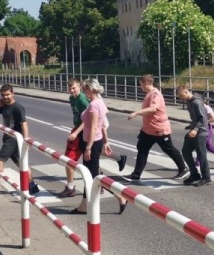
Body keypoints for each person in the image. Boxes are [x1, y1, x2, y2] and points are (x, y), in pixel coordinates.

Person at [69, 78, 128, 214]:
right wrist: (106, 142)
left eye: (85, 89)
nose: (84, 92)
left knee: (94, 176)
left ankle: (120, 196)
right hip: (95, 141)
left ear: (91, 89)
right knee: (90, 175)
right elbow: (102, 125)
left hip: (92, 142)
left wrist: (88, 147)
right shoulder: (99, 102)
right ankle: (84, 205)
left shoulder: (94, 105)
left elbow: (95, 127)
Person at [125, 74, 189, 182]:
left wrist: (136, 112)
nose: (139, 86)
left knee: (169, 149)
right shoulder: (149, 93)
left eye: (140, 84)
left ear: (146, 83)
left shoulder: (155, 94)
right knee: (142, 149)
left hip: (159, 129)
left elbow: (153, 109)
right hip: (148, 130)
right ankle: (136, 174)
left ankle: (183, 169)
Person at [0, 84, 39, 197]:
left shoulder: (17, 107)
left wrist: (25, 140)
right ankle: (32, 187)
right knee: (22, 165)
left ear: (13, 94)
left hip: (13, 139)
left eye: (8, 95)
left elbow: (24, 124)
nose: (5, 97)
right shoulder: (4, 105)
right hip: (11, 139)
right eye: (3, 95)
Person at [176, 84, 211, 186]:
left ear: (186, 92)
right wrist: (191, 126)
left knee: (201, 154)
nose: (181, 98)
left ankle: (206, 177)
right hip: (194, 130)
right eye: (179, 96)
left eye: (182, 95)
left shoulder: (196, 102)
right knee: (185, 151)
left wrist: (195, 129)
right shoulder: (189, 102)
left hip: (201, 132)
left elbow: (202, 119)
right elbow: (195, 118)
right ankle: (194, 174)